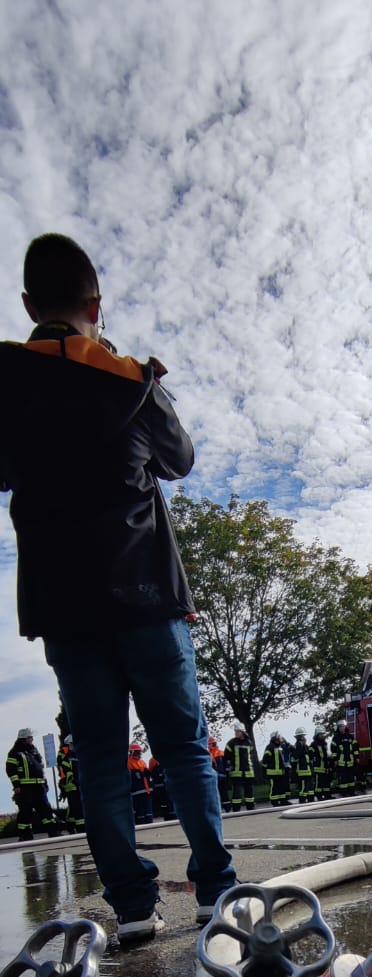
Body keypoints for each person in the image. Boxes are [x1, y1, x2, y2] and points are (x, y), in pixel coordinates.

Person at [0, 233, 236, 940]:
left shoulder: (7, 385)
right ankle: (215, 890)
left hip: (66, 612)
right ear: (96, 306)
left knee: (101, 761)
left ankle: (132, 906)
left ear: (29, 305)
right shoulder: (130, 381)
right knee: (183, 747)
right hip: (146, 599)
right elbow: (181, 458)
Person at [5, 728, 55, 841]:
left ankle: (53, 832)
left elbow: (40, 768)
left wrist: (44, 782)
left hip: (39, 787)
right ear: (24, 738)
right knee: (25, 812)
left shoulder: (33, 751)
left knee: (46, 810)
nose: (32, 739)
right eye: (30, 737)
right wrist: (16, 785)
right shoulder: (14, 752)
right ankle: (25, 835)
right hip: (25, 788)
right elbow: (11, 770)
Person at [224, 724, 256, 813]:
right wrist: (229, 766)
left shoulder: (249, 742)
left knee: (249, 791)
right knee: (237, 791)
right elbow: (226, 757)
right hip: (236, 772)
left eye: (237, 731)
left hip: (248, 771)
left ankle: (250, 807)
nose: (236, 733)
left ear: (242, 732)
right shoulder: (231, 743)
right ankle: (236, 809)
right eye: (235, 731)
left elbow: (251, 755)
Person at [58, 734, 85, 833]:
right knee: (77, 807)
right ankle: (81, 828)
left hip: (78, 784)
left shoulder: (76, 755)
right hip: (71, 786)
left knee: (74, 808)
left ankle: (70, 825)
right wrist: (71, 780)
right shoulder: (67, 757)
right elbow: (65, 771)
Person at [330, 719, 359, 795]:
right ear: (338, 728)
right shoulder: (336, 738)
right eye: (340, 727)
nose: (342, 728)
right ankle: (344, 793)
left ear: (345, 727)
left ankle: (352, 792)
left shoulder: (350, 737)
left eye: (343, 726)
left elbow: (355, 748)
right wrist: (335, 760)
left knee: (351, 778)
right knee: (343, 778)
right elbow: (333, 750)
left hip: (350, 761)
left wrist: (357, 757)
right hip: (341, 762)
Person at [262, 731, 291, 807]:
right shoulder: (270, 747)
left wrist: (286, 742)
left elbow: (289, 750)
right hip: (272, 773)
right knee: (274, 788)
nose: (281, 739)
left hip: (281, 772)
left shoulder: (280, 747)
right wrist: (264, 772)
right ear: (275, 738)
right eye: (279, 737)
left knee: (282, 787)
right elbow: (265, 760)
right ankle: (274, 802)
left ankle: (283, 800)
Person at [128, 743, 153, 824]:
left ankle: (149, 822)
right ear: (132, 752)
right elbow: (131, 776)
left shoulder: (142, 762)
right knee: (140, 810)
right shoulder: (128, 762)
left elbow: (147, 774)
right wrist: (140, 774)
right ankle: (141, 823)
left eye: (139, 752)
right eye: (137, 751)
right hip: (136, 791)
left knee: (148, 810)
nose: (139, 753)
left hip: (146, 790)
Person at [290, 727, 315, 804]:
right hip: (303, 772)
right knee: (304, 787)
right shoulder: (298, 746)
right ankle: (302, 800)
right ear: (299, 737)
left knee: (310, 787)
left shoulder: (305, 746)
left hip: (308, 770)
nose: (304, 738)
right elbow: (296, 757)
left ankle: (311, 799)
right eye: (303, 737)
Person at [208, 736, 230, 812]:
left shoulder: (210, 754)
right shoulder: (220, 752)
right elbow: (226, 765)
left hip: (217, 776)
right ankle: (226, 808)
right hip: (221, 776)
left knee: (218, 793)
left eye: (209, 744)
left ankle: (221, 808)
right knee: (223, 792)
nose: (208, 746)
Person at [311, 726, 331, 801]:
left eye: (323, 734)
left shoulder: (324, 744)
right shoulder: (313, 744)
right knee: (318, 783)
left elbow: (326, 755)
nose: (322, 736)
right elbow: (310, 755)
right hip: (318, 768)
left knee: (326, 782)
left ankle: (327, 795)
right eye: (321, 734)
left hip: (325, 767)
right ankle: (319, 796)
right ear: (317, 735)